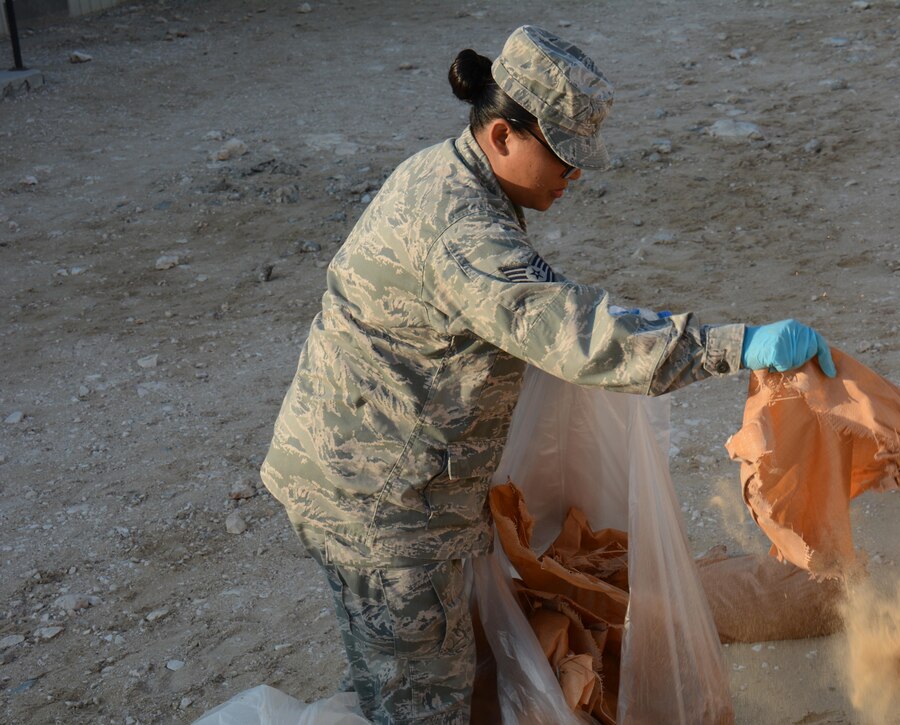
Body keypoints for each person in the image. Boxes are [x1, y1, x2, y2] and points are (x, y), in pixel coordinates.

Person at [261, 24, 836, 724]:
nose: (575, 176)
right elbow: (572, 332)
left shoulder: (448, 175)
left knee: (412, 677)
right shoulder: (463, 228)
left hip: (365, 474)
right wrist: (733, 345)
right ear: (503, 135)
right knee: (422, 703)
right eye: (564, 157)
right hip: (384, 508)